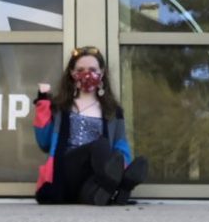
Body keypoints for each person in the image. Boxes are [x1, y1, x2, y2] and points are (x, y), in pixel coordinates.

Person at [33, 46, 148, 205]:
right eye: (80, 69)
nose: (87, 74)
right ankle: (121, 184)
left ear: (102, 73)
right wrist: (43, 103)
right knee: (100, 146)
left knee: (95, 196)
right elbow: (43, 142)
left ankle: (115, 191)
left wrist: (123, 164)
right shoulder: (60, 107)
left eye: (93, 69)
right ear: (72, 74)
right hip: (64, 173)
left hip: (95, 175)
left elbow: (121, 146)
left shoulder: (113, 112)